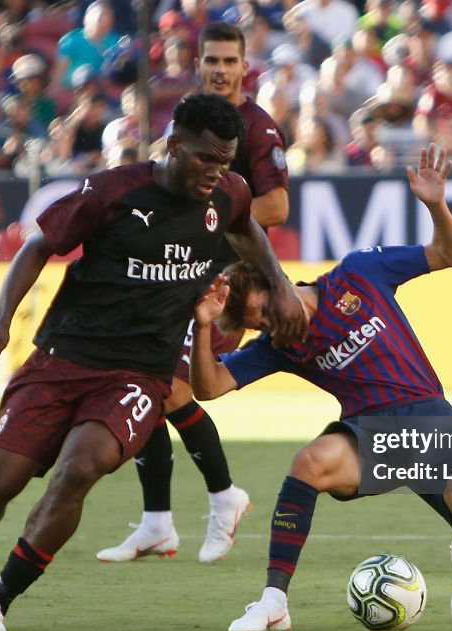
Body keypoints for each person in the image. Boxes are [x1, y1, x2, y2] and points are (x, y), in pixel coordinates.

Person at [0, 93, 307, 631]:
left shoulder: (229, 193)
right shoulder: (111, 192)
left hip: (139, 374)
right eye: (206, 158)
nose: (216, 173)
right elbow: (38, 246)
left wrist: (281, 284)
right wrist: (1, 321)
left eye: (225, 161)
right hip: (64, 357)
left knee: (79, 468)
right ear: (174, 144)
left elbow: (246, 229)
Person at [190, 144, 452, 631]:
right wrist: (204, 326)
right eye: (258, 324)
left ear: (279, 283)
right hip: (367, 433)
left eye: (267, 311)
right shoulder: (280, 346)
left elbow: (448, 254)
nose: (269, 326)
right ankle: (274, 602)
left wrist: (435, 204)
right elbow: (209, 388)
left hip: (427, 416)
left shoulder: (359, 272)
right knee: (309, 463)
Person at [96, 21, 292, 565]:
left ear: (245, 66)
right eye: (212, 60)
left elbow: (275, 208)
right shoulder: (190, 119)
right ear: (199, 62)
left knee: (169, 391)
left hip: (219, 280)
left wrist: (214, 211)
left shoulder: (257, 126)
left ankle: (224, 495)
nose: (221, 69)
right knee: (145, 383)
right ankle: (157, 522)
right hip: (174, 273)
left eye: (230, 61)